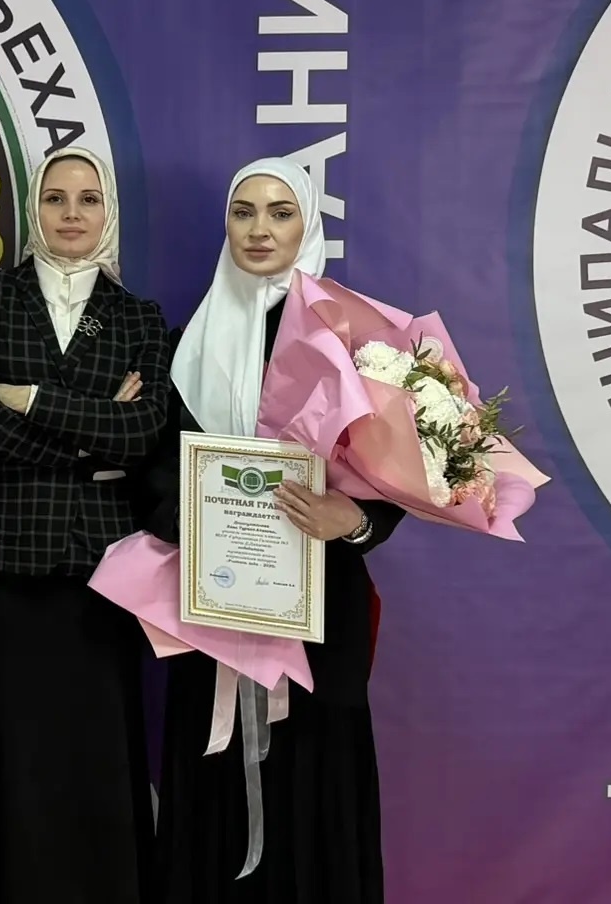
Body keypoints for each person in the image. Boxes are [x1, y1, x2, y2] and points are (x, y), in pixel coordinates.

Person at [140, 157, 405, 904]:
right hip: (215, 598)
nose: (260, 229)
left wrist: (352, 520)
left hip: (320, 607)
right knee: (214, 778)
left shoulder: (353, 341)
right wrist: (205, 521)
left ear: (308, 225)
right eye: (244, 212)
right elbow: (153, 474)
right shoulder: (188, 342)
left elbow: (397, 475)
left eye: (280, 213)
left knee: (317, 784)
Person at [0, 148, 168, 904]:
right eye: (56, 198)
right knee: (9, 747)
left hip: (105, 570)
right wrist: (91, 436)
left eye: (89, 199)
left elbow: (143, 434)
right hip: (7, 563)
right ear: (33, 208)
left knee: (98, 750)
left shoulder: (138, 316)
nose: (72, 214)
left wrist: (32, 399)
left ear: (108, 213)